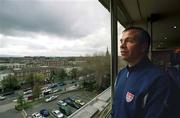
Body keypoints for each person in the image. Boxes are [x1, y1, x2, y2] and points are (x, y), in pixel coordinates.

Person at [112, 27, 170, 118]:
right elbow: (115, 107)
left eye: (129, 41)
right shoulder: (121, 74)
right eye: (121, 41)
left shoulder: (159, 79)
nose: (122, 46)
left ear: (144, 46)